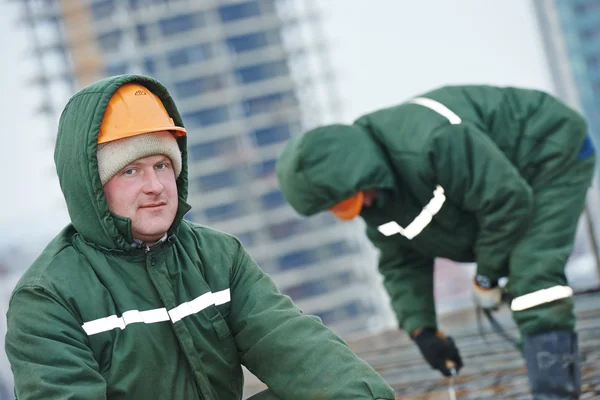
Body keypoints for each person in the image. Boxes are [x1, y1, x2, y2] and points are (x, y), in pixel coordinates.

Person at [4, 75, 396, 400]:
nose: (156, 185)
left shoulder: (217, 256)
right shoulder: (48, 297)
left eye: (161, 164)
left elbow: (293, 345)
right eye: (131, 171)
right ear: (91, 184)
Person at [275, 84, 596, 400]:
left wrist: (486, 275)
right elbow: (401, 261)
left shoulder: (432, 143)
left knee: (532, 274)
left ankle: (555, 394)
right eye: (344, 208)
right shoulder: (378, 195)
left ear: (357, 171)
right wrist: (422, 330)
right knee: (523, 274)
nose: (363, 207)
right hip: (508, 182)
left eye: (353, 199)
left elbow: (507, 201)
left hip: (547, 149)